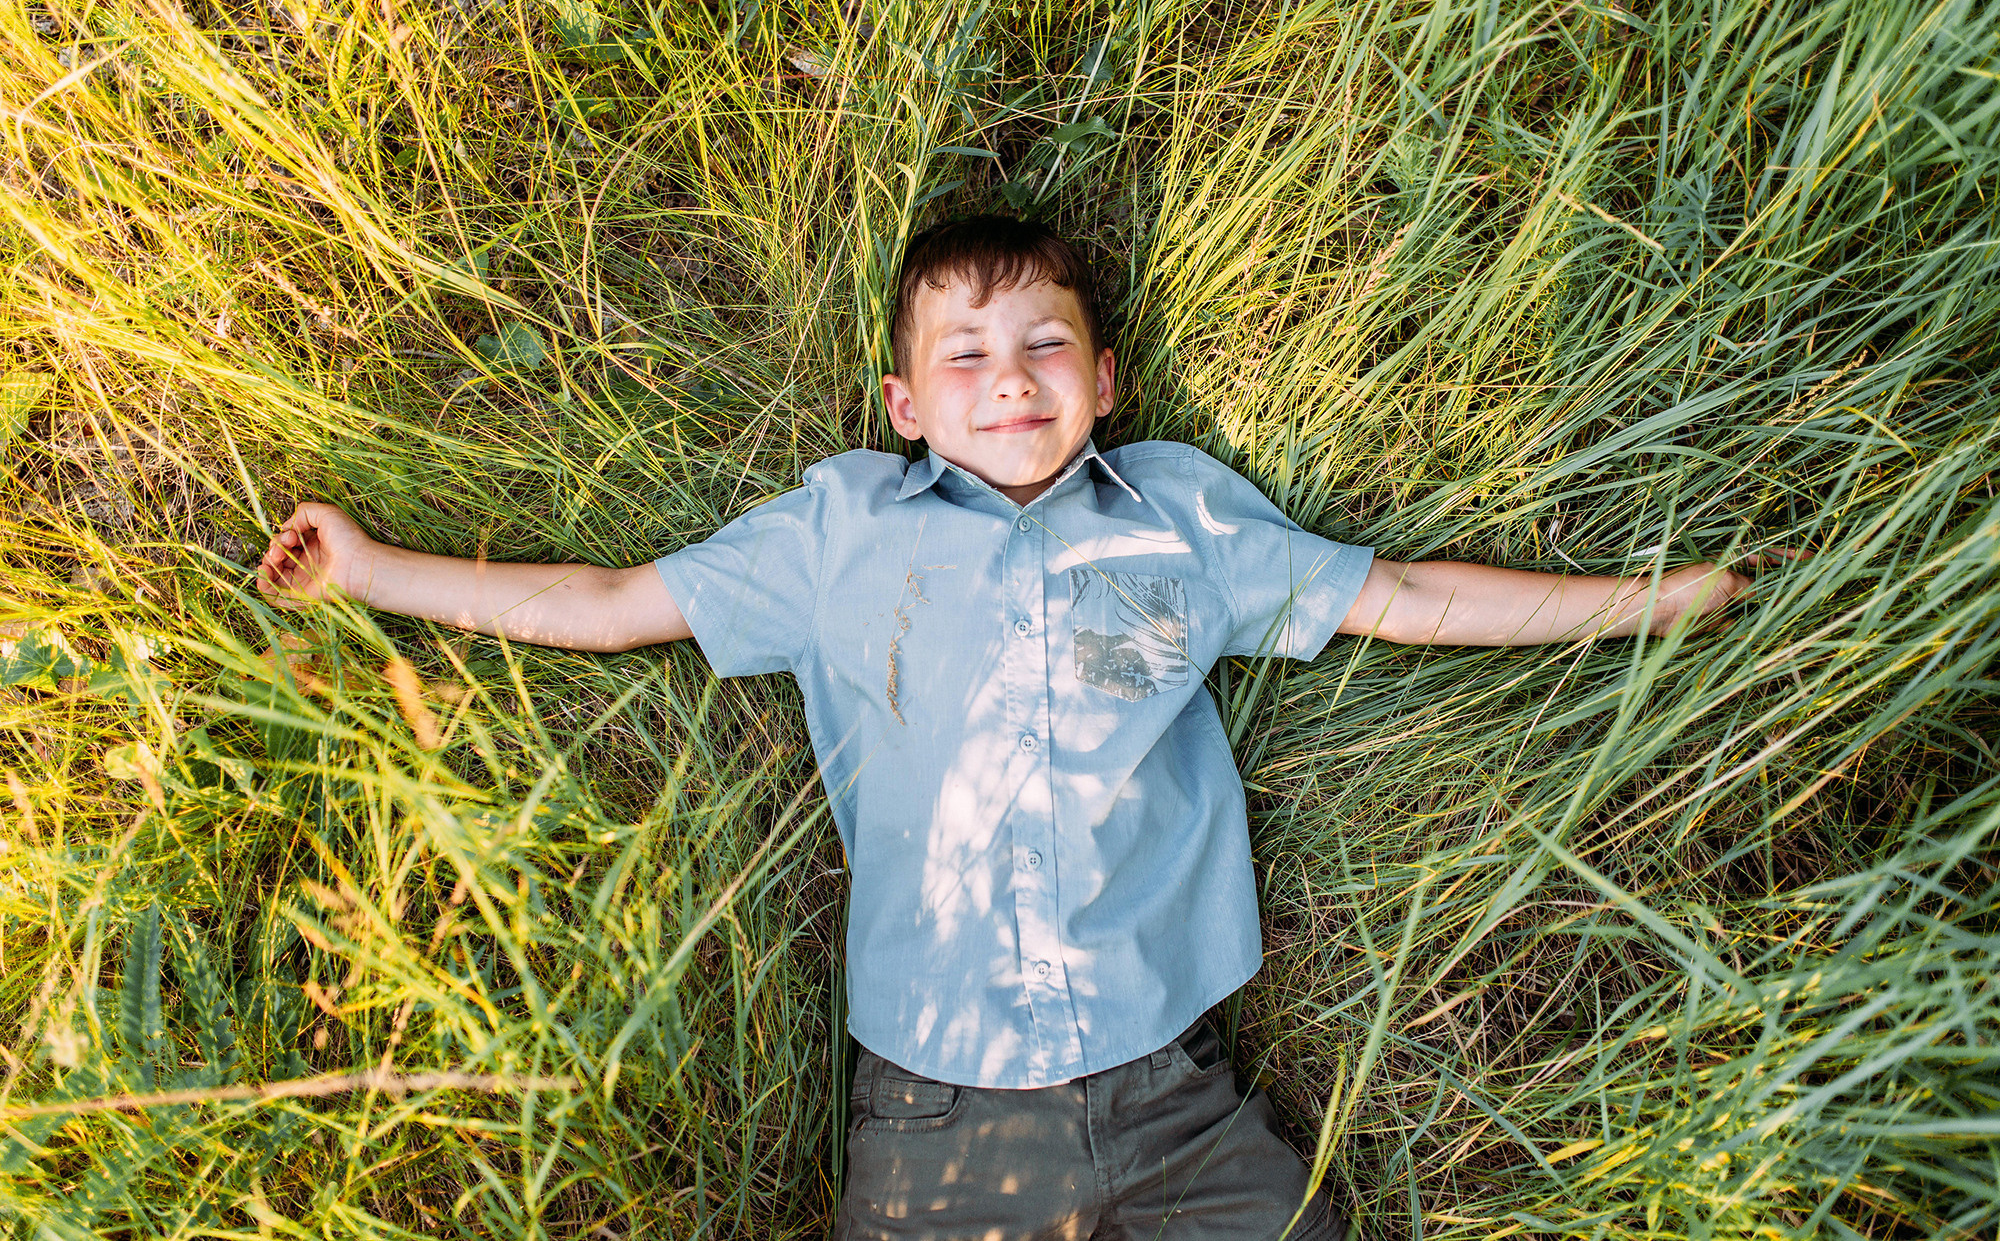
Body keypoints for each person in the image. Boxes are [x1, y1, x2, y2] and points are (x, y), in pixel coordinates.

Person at [258, 214, 1786, 1240]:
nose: (1011, 380)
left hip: (1174, 1087)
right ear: (905, 403)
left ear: (1106, 380)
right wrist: (374, 574)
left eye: (1046, 345)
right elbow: (599, 600)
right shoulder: (841, 533)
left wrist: (1651, 602)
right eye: (966, 357)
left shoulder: (1180, 518)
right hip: (940, 1122)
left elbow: (1396, 592)